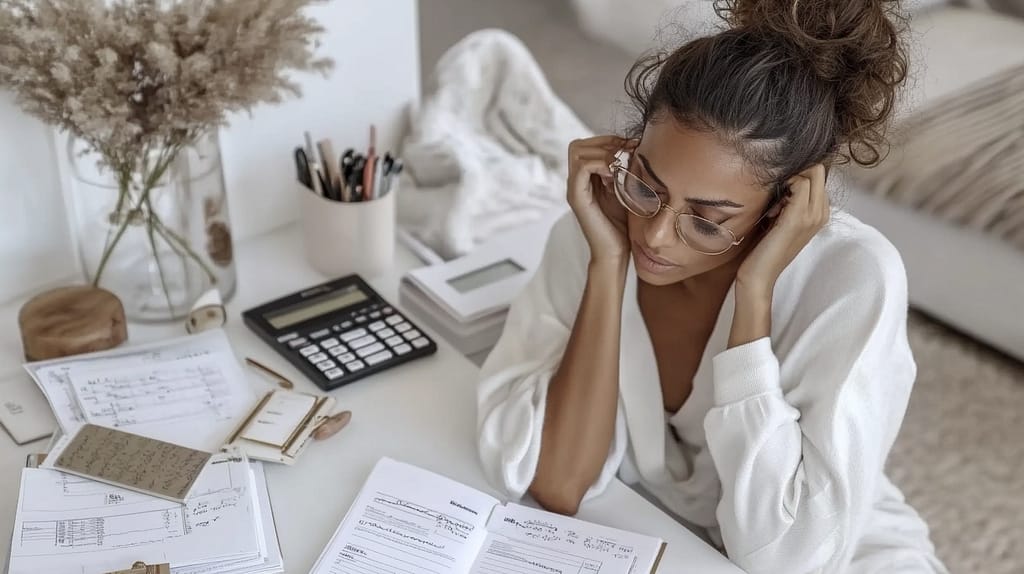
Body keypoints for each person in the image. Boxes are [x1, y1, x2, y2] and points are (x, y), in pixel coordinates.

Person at [476, 1, 949, 573]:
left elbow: (789, 559)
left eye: (706, 220)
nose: (656, 236)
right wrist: (606, 264)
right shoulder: (607, 224)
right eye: (648, 186)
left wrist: (754, 300)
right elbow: (555, 483)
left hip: (829, 548)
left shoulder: (851, 281)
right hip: (664, 534)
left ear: (780, 209)